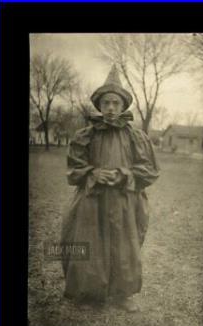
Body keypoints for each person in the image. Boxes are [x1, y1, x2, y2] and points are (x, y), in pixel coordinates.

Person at [61, 65, 160, 312]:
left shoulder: (135, 136)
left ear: (123, 105)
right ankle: (87, 295)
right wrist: (93, 172)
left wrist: (122, 175)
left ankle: (121, 295)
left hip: (125, 199)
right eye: (106, 103)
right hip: (91, 199)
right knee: (89, 243)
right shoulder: (86, 135)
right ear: (99, 105)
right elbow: (74, 168)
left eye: (116, 103)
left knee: (124, 245)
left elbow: (149, 170)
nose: (111, 108)